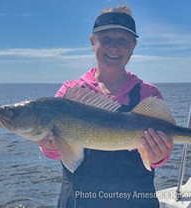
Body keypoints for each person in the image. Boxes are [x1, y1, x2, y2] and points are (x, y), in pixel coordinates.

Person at [36, 5, 174, 208]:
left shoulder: (148, 94)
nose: (114, 48)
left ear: (133, 46)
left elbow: (159, 158)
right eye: (106, 40)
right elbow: (55, 152)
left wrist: (159, 154)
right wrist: (50, 146)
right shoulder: (69, 91)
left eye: (122, 41)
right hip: (80, 200)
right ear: (93, 42)